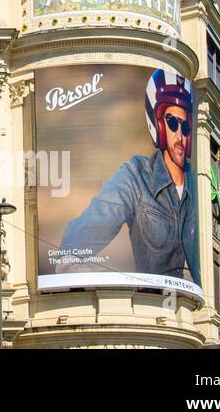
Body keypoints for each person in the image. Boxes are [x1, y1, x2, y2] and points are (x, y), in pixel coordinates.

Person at [56, 70, 199, 285]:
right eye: (172, 123)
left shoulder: (199, 185)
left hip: (198, 307)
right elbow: (80, 237)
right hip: (152, 305)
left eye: (186, 126)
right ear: (157, 124)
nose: (180, 136)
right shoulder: (137, 175)